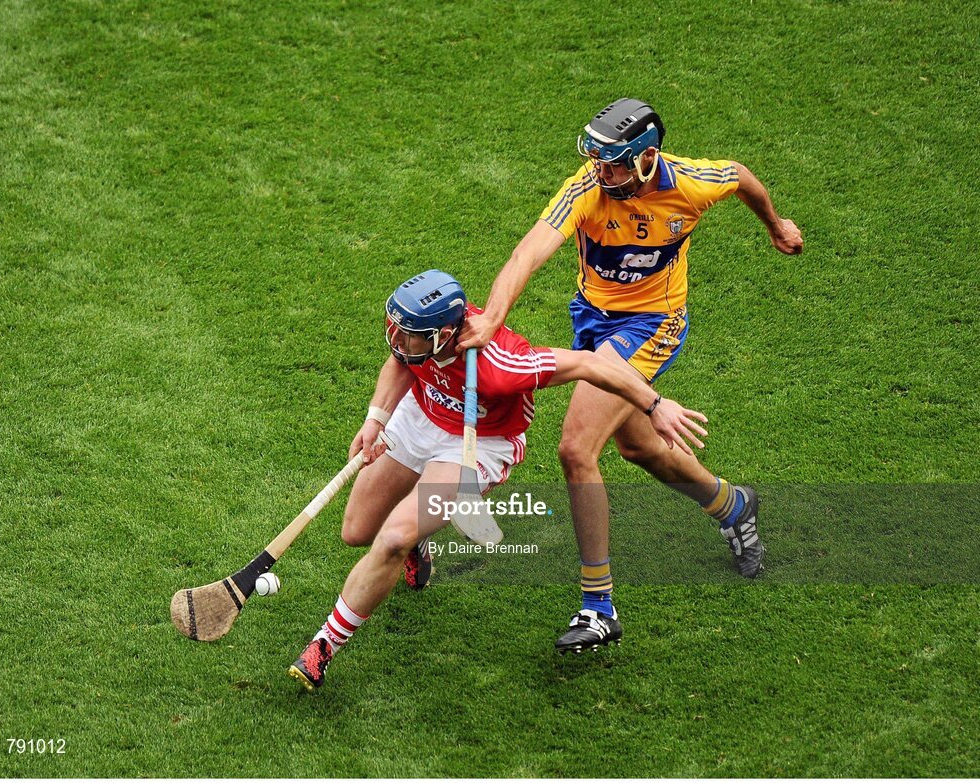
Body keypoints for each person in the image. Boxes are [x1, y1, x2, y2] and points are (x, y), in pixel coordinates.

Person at [457, 98, 804, 653]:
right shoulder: (586, 189)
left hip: (652, 323)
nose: (603, 171)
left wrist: (775, 224)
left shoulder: (688, 184)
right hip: (592, 318)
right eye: (598, 160)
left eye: (615, 164)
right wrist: (492, 318)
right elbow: (528, 253)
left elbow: (739, 177)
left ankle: (599, 606)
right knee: (639, 448)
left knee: (576, 449)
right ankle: (732, 505)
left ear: (646, 159)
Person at [288, 269, 709, 691]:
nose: (398, 342)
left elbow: (588, 364)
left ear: (446, 334)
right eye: (395, 330)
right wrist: (376, 419)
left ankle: (325, 645)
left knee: (393, 537)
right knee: (357, 531)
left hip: (476, 444)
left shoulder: (504, 365)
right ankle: (420, 539)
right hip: (419, 417)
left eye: (409, 336)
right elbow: (400, 363)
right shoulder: (419, 337)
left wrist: (654, 406)